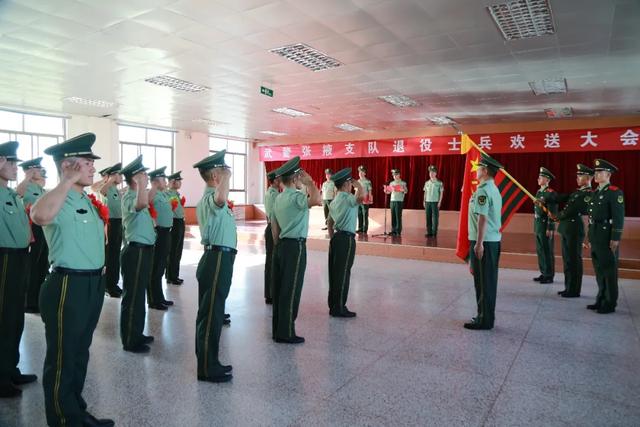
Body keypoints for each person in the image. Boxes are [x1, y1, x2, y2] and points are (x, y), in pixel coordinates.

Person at [30, 133, 113, 426]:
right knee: (63, 356)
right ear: (67, 166)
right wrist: (66, 181)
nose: (93, 168)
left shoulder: (86, 199)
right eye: (87, 163)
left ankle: (76, 410)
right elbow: (39, 216)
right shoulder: (55, 198)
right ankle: (62, 419)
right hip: (68, 285)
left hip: (92, 284)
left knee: (79, 353)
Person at [193, 150, 236, 382]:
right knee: (211, 315)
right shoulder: (211, 197)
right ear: (214, 176)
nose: (227, 172)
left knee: (213, 313)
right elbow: (220, 199)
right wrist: (226, 178)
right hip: (216, 259)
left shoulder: (211, 197)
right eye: (223, 170)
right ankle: (207, 368)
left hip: (220, 258)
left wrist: (224, 177)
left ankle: (210, 362)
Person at [0, 141, 37, 399]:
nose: (15, 168)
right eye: (10, 163)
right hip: (4, 259)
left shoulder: (10, 194)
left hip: (19, 258)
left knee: (15, 317)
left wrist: (26, 178)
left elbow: (19, 191)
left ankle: (10, 369)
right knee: (3, 318)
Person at [271, 156, 322, 344]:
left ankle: (278, 329)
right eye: (299, 177)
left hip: (281, 246)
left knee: (280, 289)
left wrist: (278, 247)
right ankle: (286, 332)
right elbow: (317, 199)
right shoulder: (297, 197)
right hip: (295, 247)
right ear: (294, 178)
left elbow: (274, 228)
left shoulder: (278, 198)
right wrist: (310, 182)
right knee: (292, 289)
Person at [119, 156, 156, 353]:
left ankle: (137, 333)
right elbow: (141, 204)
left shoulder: (137, 194)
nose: (146, 177)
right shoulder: (129, 197)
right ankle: (129, 340)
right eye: (143, 174)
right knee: (133, 296)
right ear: (135, 178)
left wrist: (145, 184)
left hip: (144, 251)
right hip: (136, 252)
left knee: (139, 294)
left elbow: (146, 200)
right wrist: (142, 184)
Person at [465, 154, 503, 331]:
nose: (476, 170)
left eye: (479, 167)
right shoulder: (493, 188)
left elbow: (483, 218)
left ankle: (484, 320)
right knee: (487, 281)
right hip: (491, 241)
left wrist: (479, 243)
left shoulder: (483, 191)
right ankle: (484, 316)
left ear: (485, 171)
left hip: (484, 242)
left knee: (483, 282)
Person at [587, 159, 625, 314]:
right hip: (595, 234)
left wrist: (615, 237)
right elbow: (591, 217)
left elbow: (618, 217)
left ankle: (610, 303)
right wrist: (590, 237)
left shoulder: (614, 192)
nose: (596, 175)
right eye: (595, 172)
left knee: (609, 271)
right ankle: (601, 299)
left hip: (606, 235)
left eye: (599, 172)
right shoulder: (595, 192)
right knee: (599, 270)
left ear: (608, 175)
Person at [327, 168, 364, 317]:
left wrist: (333, 239)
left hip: (336, 238)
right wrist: (359, 186)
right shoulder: (348, 198)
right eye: (350, 183)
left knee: (334, 273)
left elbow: (329, 223)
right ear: (345, 185)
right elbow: (361, 199)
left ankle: (333, 305)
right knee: (343, 274)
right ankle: (339, 308)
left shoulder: (334, 201)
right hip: (346, 239)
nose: (351, 185)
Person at [553, 164, 594, 298]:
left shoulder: (588, 194)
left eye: (580, 175)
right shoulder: (577, 192)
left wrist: (557, 216)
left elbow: (571, 210)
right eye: (577, 175)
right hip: (567, 229)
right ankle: (568, 287)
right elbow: (560, 197)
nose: (577, 178)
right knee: (567, 260)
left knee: (574, 260)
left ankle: (574, 290)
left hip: (574, 230)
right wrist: (545, 198)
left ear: (589, 178)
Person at [16, 157, 49, 313]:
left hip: (43, 228)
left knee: (42, 265)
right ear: (30, 170)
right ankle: (29, 302)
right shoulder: (26, 186)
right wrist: (27, 177)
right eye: (37, 168)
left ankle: (37, 300)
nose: (41, 170)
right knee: (32, 266)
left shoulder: (40, 188)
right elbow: (17, 194)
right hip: (32, 228)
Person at [147, 167, 174, 310]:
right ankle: (153, 300)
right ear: (156, 181)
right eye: (163, 179)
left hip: (167, 233)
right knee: (156, 267)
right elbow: (146, 202)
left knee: (161, 266)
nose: (166, 181)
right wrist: (153, 187)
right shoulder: (153, 194)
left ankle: (160, 297)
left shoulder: (163, 195)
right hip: (159, 233)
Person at [98, 163, 124, 298]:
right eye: (119, 174)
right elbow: (101, 191)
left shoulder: (115, 190)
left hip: (118, 223)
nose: (121, 177)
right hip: (110, 224)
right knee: (110, 256)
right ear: (113, 175)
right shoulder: (107, 188)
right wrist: (110, 180)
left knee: (115, 256)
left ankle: (113, 283)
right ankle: (108, 286)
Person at [533, 167, 557, 284]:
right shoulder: (539, 192)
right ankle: (543, 272)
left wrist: (550, 227)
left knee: (547, 250)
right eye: (539, 177)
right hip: (538, 224)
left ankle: (549, 275)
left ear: (547, 180)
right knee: (540, 250)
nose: (538, 179)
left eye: (541, 177)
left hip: (544, 225)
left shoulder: (550, 194)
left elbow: (552, 212)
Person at [165, 171, 185, 285]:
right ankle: (171, 276)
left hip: (180, 222)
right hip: (174, 223)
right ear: (172, 182)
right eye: (178, 181)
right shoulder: (168, 194)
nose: (180, 183)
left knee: (178, 250)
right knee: (173, 250)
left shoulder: (176, 194)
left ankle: (174, 275)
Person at [263, 169, 280, 305]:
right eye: (278, 179)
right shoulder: (274, 195)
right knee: (272, 261)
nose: (280, 181)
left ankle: (270, 293)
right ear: (274, 181)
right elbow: (276, 215)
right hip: (274, 227)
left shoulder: (270, 193)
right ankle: (271, 293)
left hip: (271, 226)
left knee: (271, 261)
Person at [385, 169, 407, 236]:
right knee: (393, 216)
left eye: (395, 175)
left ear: (399, 175)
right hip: (392, 201)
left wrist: (400, 189)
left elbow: (406, 191)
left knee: (398, 216)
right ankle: (393, 230)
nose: (394, 176)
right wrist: (386, 190)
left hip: (399, 201)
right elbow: (389, 192)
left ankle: (398, 231)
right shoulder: (391, 183)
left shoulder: (403, 183)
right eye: (393, 175)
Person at [423, 165, 444, 237]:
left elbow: (441, 193)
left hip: (435, 202)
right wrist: (424, 201)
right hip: (428, 202)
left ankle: (434, 232)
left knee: (435, 218)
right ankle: (429, 232)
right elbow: (425, 192)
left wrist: (440, 202)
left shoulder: (439, 183)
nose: (431, 174)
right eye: (430, 172)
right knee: (428, 217)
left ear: (436, 173)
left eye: (433, 172)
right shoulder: (427, 183)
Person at [356, 165, 372, 234]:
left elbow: (370, 191)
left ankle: (365, 229)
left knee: (365, 215)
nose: (360, 173)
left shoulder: (367, 181)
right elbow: (356, 191)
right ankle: (360, 228)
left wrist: (370, 199)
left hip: (365, 199)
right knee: (359, 214)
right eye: (359, 172)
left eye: (362, 172)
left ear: (365, 173)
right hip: (359, 200)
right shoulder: (357, 181)